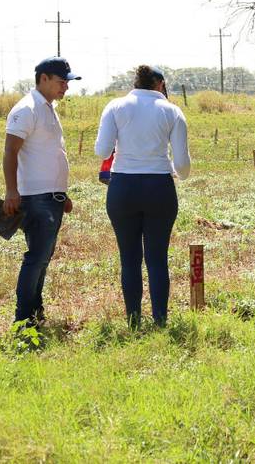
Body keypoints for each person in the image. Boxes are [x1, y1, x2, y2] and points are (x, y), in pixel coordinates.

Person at [95, 66, 191, 328]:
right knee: (157, 257)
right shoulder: (172, 111)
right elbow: (182, 165)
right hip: (159, 186)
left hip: (123, 186)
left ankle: (133, 321)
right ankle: (160, 320)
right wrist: (175, 173)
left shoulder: (115, 107)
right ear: (160, 84)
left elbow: (102, 149)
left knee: (129, 258)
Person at [2, 57, 81, 329]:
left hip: (51, 197)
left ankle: (35, 313)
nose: (65, 88)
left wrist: (62, 192)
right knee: (36, 258)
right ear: (44, 78)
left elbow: (50, 154)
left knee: (43, 257)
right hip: (35, 197)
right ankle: (24, 319)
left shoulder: (47, 107)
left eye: (67, 83)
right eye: (62, 82)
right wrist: (12, 191)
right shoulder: (27, 108)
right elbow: (10, 150)